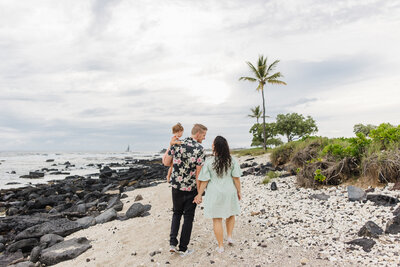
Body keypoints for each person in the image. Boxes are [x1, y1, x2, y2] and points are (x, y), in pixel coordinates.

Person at [163, 123, 208, 256]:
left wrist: (171, 144)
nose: (204, 138)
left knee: (176, 213)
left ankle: (172, 244)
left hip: (176, 186)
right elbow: (199, 174)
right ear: (198, 134)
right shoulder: (200, 149)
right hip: (191, 188)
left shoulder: (177, 144)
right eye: (204, 135)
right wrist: (199, 193)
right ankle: (183, 248)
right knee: (188, 217)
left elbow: (166, 162)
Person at [194, 136, 242, 253]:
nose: (211, 145)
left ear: (215, 147)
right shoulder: (232, 160)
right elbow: (236, 178)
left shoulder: (209, 162)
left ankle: (220, 246)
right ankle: (229, 236)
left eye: (213, 144)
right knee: (231, 214)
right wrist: (239, 191)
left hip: (215, 193)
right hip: (229, 191)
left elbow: (204, 180)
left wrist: (199, 194)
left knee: (217, 219)